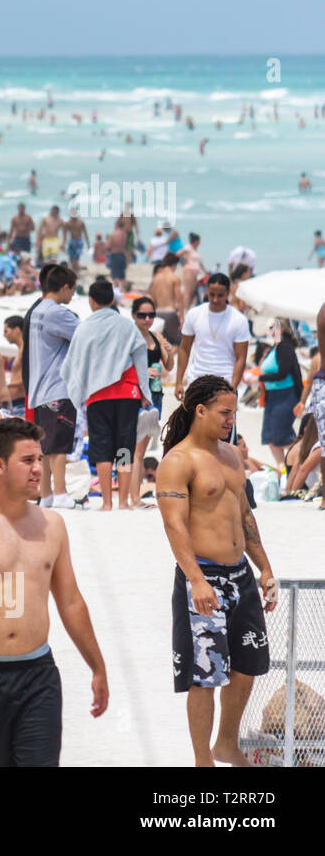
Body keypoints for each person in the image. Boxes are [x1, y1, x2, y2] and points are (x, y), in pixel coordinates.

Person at [0, 418, 109, 766]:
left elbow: (71, 601)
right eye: (27, 460)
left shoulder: (53, 525)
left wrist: (98, 666)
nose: (37, 469)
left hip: (38, 676)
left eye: (39, 460)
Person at [158, 376, 276, 767]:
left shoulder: (230, 456)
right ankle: (201, 761)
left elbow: (244, 516)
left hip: (240, 576)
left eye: (234, 412)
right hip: (203, 578)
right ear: (201, 410)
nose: (231, 419)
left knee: (248, 664)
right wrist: (196, 581)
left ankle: (226, 743)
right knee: (204, 674)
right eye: (225, 412)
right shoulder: (177, 461)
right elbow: (174, 526)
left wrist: (265, 569)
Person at [61, 279, 148, 511]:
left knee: (102, 445)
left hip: (98, 395)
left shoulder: (84, 328)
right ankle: (124, 502)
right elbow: (140, 359)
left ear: (91, 301)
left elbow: (73, 364)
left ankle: (107, 503)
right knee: (123, 445)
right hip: (127, 393)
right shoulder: (127, 325)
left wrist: (77, 393)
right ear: (112, 299)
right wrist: (145, 392)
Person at [25, 265, 79, 507]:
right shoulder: (58, 313)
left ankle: (46, 495)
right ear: (65, 287)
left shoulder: (36, 310)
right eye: (73, 290)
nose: (73, 296)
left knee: (45, 445)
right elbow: (86, 336)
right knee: (58, 444)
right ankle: (60, 493)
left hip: (38, 388)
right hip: (57, 385)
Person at [175, 273, 249, 444]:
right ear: (207, 291)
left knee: (223, 436)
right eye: (212, 294)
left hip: (224, 384)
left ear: (228, 293)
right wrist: (179, 381)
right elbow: (184, 348)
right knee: (192, 433)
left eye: (220, 295)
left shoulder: (239, 320)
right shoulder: (194, 314)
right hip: (196, 382)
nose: (215, 299)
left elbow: (241, 358)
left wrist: (233, 387)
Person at [129, 297, 173, 508]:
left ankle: (133, 497)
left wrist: (169, 351)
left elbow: (169, 366)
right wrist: (143, 373)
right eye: (142, 315)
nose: (147, 319)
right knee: (136, 450)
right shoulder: (130, 337)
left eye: (151, 315)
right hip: (137, 395)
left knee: (142, 449)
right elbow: (122, 366)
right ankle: (134, 498)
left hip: (155, 394)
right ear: (133, 316)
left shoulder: (155, 336)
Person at [256, 319, 302, 469]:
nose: (270, 331)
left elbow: (283, 373)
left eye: (273, 327)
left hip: (285, 395)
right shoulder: (275, 348)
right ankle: (283, 472)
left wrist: (259, 378)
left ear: (281, 329)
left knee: (282, 436)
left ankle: (303, 459)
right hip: (273, 396)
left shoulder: (284, 346)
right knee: (270, 437)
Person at [150, 253, 186, 342]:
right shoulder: (174, 278)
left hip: (158, 312)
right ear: (174, 264)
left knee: (162, 342)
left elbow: (153, 298)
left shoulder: (156, 278)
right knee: (178, 341)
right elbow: (179, 298)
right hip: (170, 313)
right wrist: (182, 316)